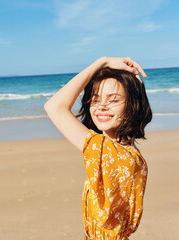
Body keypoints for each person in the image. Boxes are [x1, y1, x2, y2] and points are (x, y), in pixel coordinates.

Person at [44, 56, 152, 240]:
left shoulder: (107, 151)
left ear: (132, 105)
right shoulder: (131, 151)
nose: (101, 106)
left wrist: (101, 62)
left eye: (113, 100)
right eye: (95, 99)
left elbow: (54, 106)